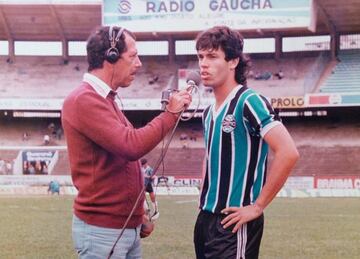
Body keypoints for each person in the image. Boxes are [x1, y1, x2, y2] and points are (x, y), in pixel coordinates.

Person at [61, 25, 191, 259]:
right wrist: (170, 114)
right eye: (133, 56)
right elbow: (131, 146)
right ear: (110, 57)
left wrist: (137, 214)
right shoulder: (83, 100)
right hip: (102, 232)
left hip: (121, 228)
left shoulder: (105, 99)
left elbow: (122, 165)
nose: (139, 64)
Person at [193, 26, 299, 259]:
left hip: (234, 220)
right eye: (200, 57)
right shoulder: (208, 111)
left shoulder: (249, 101)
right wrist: (204, 193)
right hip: (205, 219)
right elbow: (210, 155)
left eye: (212, 56)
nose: (203, 64)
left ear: (233, 61)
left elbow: (288, 152)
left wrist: (258, 206)